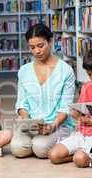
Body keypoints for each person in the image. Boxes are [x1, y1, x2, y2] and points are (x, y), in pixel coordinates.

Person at [10, 23, 76, 159]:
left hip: (57, 124)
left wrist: (52, 126)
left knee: (40, 148)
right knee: (17, 148)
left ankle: (61, 140)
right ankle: (34, 141)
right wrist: (27, 121)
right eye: (32, 47)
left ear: (51, 42)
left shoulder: (66, 71)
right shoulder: (24, 71)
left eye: (41, 46)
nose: (36, 51)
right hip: (33, 124)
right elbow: (22, 103)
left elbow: (65, 108)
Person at [49, 47, 92, 167]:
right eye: (89, 74)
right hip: (81, 133)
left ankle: (90, 157)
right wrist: (75, 113)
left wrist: (88, 120)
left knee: (79, 159)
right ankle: (87, 156)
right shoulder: (86, 87)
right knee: (53, 155)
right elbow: (80, 112)